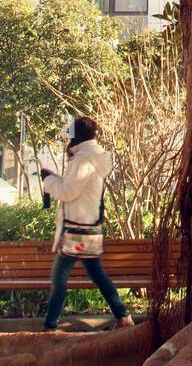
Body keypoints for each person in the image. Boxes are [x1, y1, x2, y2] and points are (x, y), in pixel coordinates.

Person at [40, 115, 133, 332]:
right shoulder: (92, 157)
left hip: (77, 229)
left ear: (76, 136)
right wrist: (55, 178)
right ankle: (123, 316)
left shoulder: (83, 159)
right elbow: (75, 188)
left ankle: (50, 325)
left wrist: (48, 181)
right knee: (96, 274)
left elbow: (68, 191)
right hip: (90, 226)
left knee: (59, 276)